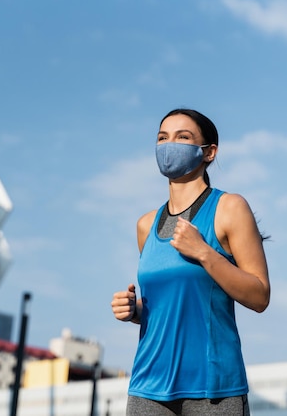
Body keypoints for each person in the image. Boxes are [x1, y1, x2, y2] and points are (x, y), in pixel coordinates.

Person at [111, 108, 270, 416]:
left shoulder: (229, 208)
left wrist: (204, 252)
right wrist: (135, 311)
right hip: (148, 385)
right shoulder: (146, 225)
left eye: (182, 137)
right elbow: (174, 305)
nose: (170, 145)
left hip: (213, 388)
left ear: (209, 152)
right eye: (162, 138)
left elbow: (260, 295)